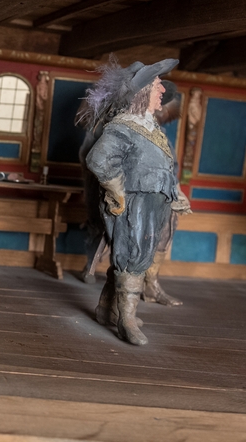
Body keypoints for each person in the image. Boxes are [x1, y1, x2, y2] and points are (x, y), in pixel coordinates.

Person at [81, 59, 190, 346]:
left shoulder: (150, 128)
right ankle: (126, 320)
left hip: (153, 202)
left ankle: (107, 309)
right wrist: (116, 191)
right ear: (141, 92)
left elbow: (165, 169)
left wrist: (175, 194)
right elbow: (98, 159)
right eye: (157, 85)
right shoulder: (125, 127)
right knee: (133, 256)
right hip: (134, 204)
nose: (163, 90)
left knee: (131, 256)